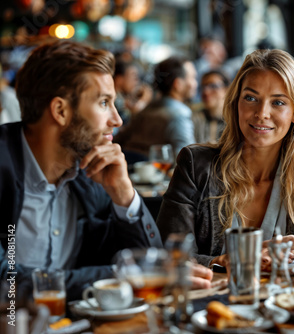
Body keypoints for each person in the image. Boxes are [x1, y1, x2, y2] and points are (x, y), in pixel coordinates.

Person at [0, 41, 210, 302]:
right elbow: (6, 285)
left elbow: (149, 266)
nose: (117, 119)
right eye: (103, 103)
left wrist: (124, 195)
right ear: (60, 110)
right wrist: (121, 276)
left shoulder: (89, 175)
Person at [156, 49, 294, 268]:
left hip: (286, 301)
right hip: (210, 300)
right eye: (250, 98)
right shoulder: (195, 164)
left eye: (278, 102)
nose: (262, 113)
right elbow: (167, 255)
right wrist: (218, 261)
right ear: (236, 104)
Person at [115, 56, 197, 160]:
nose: (195, 83)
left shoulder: (145, 110)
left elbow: (118, 140)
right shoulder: (179, 115)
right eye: (193, 78)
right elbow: (188, 160)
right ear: (178, 84)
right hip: (159, 174)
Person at [192, 70, 229, 144]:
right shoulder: (194, 119)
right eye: (203, 87)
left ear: (226, 89)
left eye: (213, 86)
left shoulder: (234, 121)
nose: (206, 92)